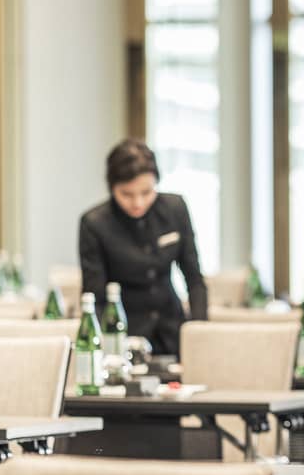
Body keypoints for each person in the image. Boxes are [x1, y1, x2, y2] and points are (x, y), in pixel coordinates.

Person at [79, 140, 209, 356]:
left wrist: (198, 333)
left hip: (173, 330)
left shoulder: (175, 209)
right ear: (112, 188)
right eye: (127, 194)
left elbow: (194, 280)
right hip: (125, 336)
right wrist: (110, 350)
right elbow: (96, 297)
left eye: (147, 192)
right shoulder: (95, 224)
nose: (138, 203)